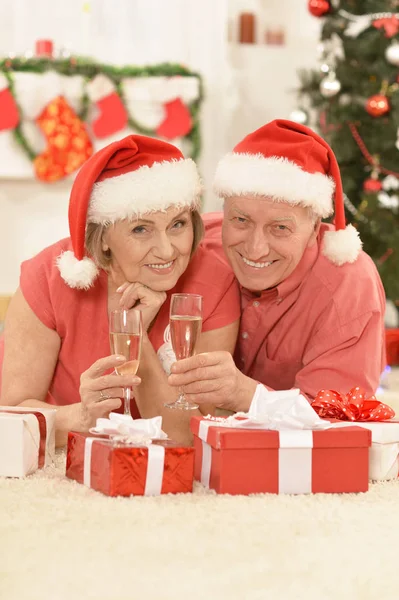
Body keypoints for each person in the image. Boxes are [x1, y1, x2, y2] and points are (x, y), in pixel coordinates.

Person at [0, 135, 240, 445]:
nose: (167, 251)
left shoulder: (215, 282)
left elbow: (187, 436)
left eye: (178, 224)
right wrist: (82, 416)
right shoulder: (50, 277)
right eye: (141, 229)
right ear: (101, 238)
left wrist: (135, 338)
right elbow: (12, 418)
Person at [168, 119, 386, 413]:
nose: (255, 249)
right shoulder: (192, 247)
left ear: (314, 229)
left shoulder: (349, 284)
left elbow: (336, 420)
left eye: (280, 228)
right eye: (241, 220)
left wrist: (246, 395)